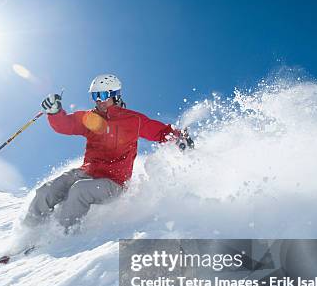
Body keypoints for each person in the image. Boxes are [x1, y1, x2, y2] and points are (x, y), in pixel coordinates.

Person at [24, 74, 193, 230]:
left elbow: (161, 132)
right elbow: (65, 125)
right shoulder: (90, 118)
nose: (99, 101)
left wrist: (180, 138)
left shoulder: (133, 120)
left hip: (113, 182)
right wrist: (55, 113)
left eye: (103, 95)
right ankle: (28, 232)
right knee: (48, 190)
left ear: (115, 95)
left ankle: (62, 234)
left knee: (79, 190)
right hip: (88, 172)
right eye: (95, 96)